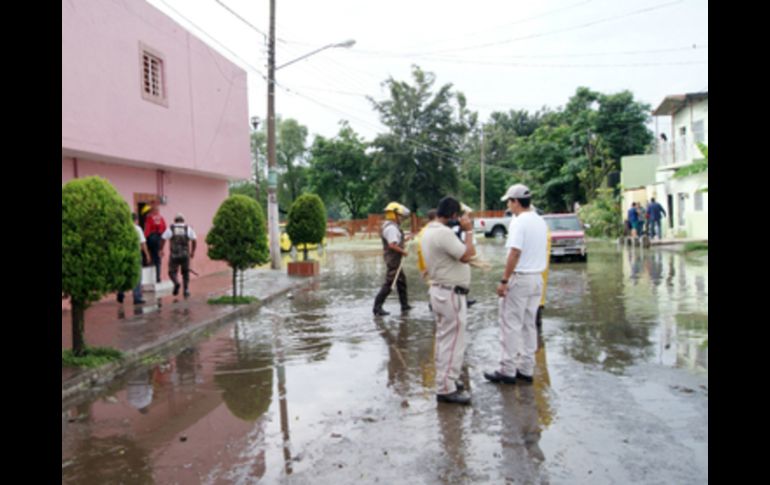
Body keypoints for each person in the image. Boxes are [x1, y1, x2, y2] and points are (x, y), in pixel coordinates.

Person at [484, 184, 547, 386]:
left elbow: (515, 253)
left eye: (509, 202)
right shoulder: (540, 221)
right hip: (537, 278)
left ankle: (507, 369)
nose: (508, 206)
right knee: (529, 324)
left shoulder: (519, 222)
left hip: (520, 278)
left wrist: (504, 280)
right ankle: (526, 368)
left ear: (516, 202)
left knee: (510, 324)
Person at [422, 196, 476, 405]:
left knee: (445, 340)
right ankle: (446, 388)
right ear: (454, 215)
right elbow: (466, 255)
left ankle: (447, 380)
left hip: (441, 291)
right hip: (450, 293)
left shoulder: (430, 230)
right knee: (453, 342)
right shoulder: (443, 233)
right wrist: (469, 230)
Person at [373, 202, 412, 316]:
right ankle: (377, 307)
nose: (402, 219)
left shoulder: (392, 226)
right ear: (394, 215)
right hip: (392, 259)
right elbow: (392, 245)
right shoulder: (391, 228)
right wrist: (403, 251)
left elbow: (396, 242)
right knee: (390, 282)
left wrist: (406, 240)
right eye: (400, 216)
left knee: (401, 281)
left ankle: (404, 305)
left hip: (394, 258)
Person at [118, 212, 151, 305]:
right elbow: (143, 243)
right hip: (135, 254)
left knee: (124, 274)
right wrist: (147, 255)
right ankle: (137, 297)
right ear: (136, 220)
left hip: (124, 254)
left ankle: (121, 292)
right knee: (137, 275)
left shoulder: (123, 228)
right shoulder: (137, 229)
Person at [161, 213, 197, 298]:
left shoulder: (171, 228)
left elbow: (163, 238)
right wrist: (192, 252)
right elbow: (194, 240)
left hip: (174, 254)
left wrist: (161, 249)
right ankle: (186, 290)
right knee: (185, 273)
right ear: (183, 220)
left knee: (172, 271)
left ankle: (176, 282)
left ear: (175, 220)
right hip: (185, 254)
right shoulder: (188, 228)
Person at [143, 201, 167, 283]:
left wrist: (144, 242)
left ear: (152, 210)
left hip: (152, 238)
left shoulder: (149, 217)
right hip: (160, 239)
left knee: (149, 257)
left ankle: (149, 278)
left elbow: (147, 230)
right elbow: (165, 229)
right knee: (158, 259)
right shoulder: (162, 218)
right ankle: (158, 278)